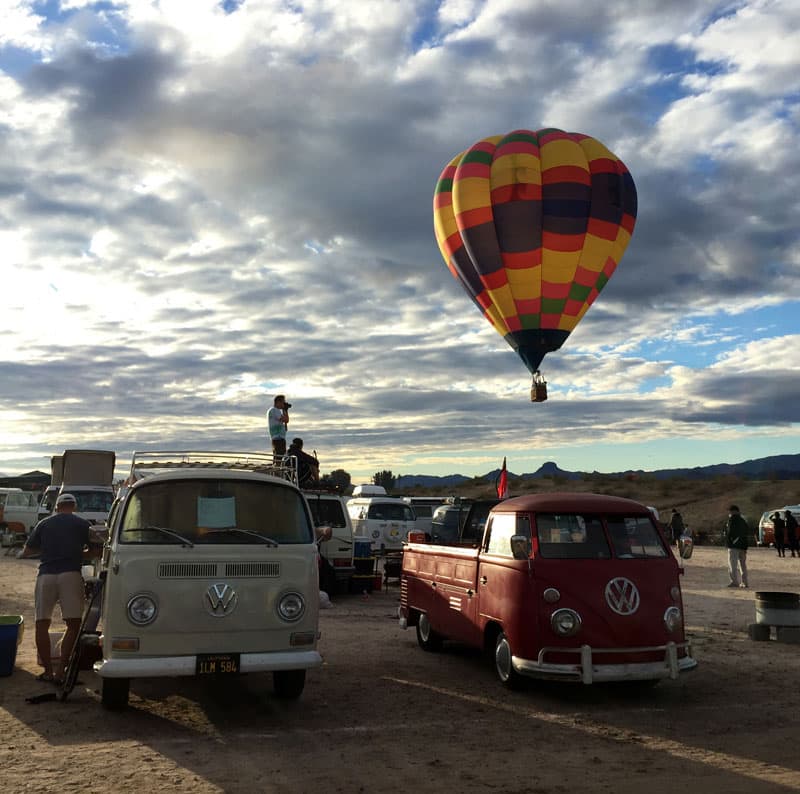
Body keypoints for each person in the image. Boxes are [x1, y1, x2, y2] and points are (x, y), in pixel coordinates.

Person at [20, 493, 102, 683]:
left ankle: (48, 671)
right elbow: (97, 551)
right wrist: (78, 553)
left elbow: (27, 550)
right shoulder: (83, 524)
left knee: (42, 624)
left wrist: (49, 551)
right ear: (73, 507)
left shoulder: (44, 524)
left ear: (56, 507)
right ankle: (61, 670)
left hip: (46, 575)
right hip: (70, 575)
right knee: (73, 624)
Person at [724, 504, 749, 588]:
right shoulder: (743, 520)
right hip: (743, 545)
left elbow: (730, 532)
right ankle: (745, 582)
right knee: (743, 565)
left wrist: (730, 541)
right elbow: (746, 532)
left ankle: (734, 582)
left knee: (732, 565)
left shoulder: (731, 520)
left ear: (733, 511)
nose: (729, 513)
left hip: (733, 546)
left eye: (730, 511)